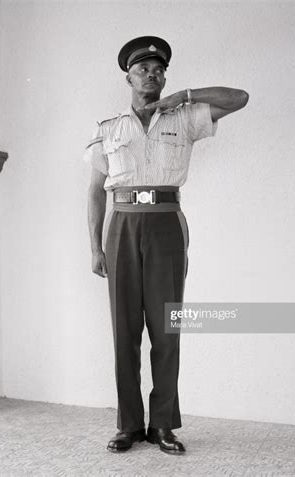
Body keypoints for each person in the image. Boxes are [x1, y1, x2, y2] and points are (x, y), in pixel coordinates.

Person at [83, 36, 249, 455]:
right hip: (121, 224)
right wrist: (95, 247)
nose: (151, 75)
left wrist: (186, 96)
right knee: (124, 330)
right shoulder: (108, 128)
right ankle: (128, 426)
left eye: (158, 70)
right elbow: (94, 192)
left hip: (166, 226)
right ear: (128, 76)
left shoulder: (186, 116)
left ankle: (162, 426)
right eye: (143, 69)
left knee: (166, 329)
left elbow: (240, 97)